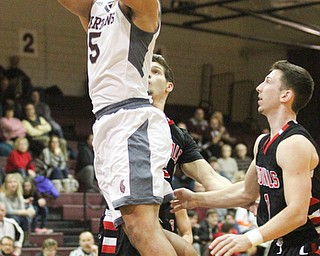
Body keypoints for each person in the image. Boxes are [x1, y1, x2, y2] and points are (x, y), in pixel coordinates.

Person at [56, 1, 187, 255]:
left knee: (141, 227)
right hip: (106, 123)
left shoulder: (141, 9)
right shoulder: (96, 7)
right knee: (134, 227)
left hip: (131, 120)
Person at [171, 60, 320, 255]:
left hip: (309, 242)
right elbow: (246, 192)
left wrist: (248, 238)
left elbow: (297, 214)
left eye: (267, 82)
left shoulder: (294, 144)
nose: (259, 88)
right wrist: (196, 200)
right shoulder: (263, 142)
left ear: (286, 95)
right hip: (282, 241)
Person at [98, 54, 231, 255]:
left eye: (155, 72)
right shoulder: (123, 122)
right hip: (125, 215)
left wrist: (245, 197)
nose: (148, 76)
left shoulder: (178, 135)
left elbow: (210, 178)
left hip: (161, 216)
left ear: (169, 86)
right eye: (144, 73)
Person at [0, 173, 35, 246]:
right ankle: (13, 240)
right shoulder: (2, 195)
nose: (13, 184)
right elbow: (8, 211)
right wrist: (25, 212)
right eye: (10, 182)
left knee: (26, 219)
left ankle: (26, 242)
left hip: (17, 215)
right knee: (15, 219)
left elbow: (22, 208)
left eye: (14, 182)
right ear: (6, 184)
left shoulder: (19, 194)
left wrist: (28, 211)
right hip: (6, 216)